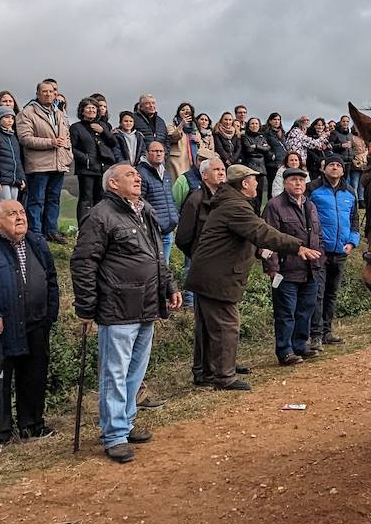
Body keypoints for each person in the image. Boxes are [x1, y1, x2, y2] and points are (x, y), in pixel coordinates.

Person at [71, 162, 182, 463]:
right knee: (115, 374)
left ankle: (126, 422)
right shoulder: (100, 216)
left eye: (136, 174)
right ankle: (114, 435)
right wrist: (86, 307)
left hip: (146, 304)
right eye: (129, 176)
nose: (137, 178)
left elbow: (157, 255)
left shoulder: (144, 210)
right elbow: (84, 263)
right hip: (117, 307)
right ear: (112, 185)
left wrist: (169, 284)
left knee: (135, 371)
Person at [185, 165, 321, 391]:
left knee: (209, 328)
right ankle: (224, 376)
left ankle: (206, 372)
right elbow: (263, 232)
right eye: (254, 180)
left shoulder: (232, 204)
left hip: (210, 274)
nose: (258, 184)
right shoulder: (236, 207)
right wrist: (297, 247)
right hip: (217, 276)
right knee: (227, 326)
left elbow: (251, 236)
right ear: (244, 183)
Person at [0, 200, 59, 455]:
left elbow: (51, 279)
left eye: (22, 213)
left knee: (34, 376)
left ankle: (32, 425)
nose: (19, 217)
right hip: (0, 328)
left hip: (36, 324)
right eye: (11, 213)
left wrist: (50, 314)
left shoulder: (36, 243)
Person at [262, 166, 324, 364]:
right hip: (285, 270)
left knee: (305, 310)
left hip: (310, 269)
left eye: (301, 180)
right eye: (293, 180)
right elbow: (267, 240)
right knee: (285, 313)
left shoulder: (310, 205)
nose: (298, 183)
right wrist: (272, 268)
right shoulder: (274, 206)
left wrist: (320, 259)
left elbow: (318, 235)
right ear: (285, 183)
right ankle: (285, 351)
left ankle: (299, 346)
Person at [308, 153, 360, 349]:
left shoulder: (350, 191)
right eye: (331, 165)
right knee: (317, 293)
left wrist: (352, 242)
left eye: (338, 165)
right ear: (324, 168)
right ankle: (315, 335)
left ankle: (327, 332)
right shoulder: (312, 189)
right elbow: (305, 217)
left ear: (343, 170)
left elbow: (354, 220)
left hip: (341, 251)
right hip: (320, 251)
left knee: (331, 293)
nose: (335, 168)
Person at [177, 155, 225, 353]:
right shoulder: (195, 200)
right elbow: (183, 238)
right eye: (216, 170)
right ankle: (204, 368)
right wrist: (199, 257)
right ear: (204, 175)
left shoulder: (227, 199)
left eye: (223, 170)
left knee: (223, 317)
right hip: (204, 269)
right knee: (205, 318)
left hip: (223, 267)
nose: (221, 173)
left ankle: (222, 360)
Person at [16, 79, 72, 244]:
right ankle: (35, 232)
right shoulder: (27, 113)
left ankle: (51, 231)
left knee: (54, 199)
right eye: (44, 91)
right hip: (38, 164)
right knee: (36, 200)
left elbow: (66, 136)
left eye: (52, 91)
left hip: (58, 163)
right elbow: (25, 138)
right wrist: (51, 142)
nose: (49, 94)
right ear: (38, 94)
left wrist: (68, 154)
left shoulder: (59, 113)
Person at [137, 140, 180, 264]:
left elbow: (170, 198)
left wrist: (175, 216)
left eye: (161, 151)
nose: (159, 154)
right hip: (152, 230)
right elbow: (139, 201)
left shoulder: (165, 173)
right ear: (147, 153)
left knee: (164, 266)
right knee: (152, 266)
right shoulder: (141, 173)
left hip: (168, 228)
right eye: (155, 151)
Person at [70, 97, 110, 225]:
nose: (91, 110)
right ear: (82, 111)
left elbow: (113, 143)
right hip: (86, 168)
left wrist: (103, 132)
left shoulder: (102, 125)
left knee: (101, 198)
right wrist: (86, 159)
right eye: (88, 107)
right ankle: (83, 226)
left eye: (94, 107)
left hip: (102, 168)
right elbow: (72, 148)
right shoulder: (76, 128)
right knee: (86, 198)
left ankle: (99, 226)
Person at [0, 105, 27, 203]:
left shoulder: (14, 137)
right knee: (4, 208)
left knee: (13, 207)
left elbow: (17, 160)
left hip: (15, 181)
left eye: (12, 118)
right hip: (1, 181)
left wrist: (22, 178)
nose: (10, 120)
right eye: (6, 117)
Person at [239, 116, 272, 207]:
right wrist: (262, 150)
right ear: (248, 125)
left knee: (260, 193)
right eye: (252, 123)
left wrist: (256, 147)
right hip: (250, 167)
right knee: (250, 193)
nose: (254, 125)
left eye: (256, 123)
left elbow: (268, 148)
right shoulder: (244, 136)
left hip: (261, 169)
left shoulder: (262, 137)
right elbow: (249, 150)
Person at [131, 94, 170, 163]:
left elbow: (166, 140)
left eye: (153, 103)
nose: (151, 105)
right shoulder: (133, 119)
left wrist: (165, 155)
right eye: (147, 103)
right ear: (141, 106)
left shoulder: (160, 121)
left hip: (160, 160)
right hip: (142, 160)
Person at [262, 113, 288, 195]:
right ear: (270, 121)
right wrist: (272, 156)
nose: (277, 121)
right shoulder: (266, 133)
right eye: (275, 119)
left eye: (278, 119)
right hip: (272, 164)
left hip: (283, 162)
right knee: (272, 186)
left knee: (283, 186)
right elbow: (264, 147)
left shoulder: (282, 133)